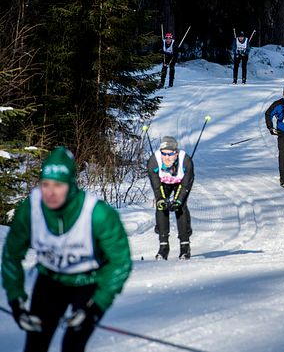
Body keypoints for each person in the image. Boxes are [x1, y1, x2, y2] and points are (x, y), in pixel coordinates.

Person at [2, 147, 132, 352]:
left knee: (72, 345)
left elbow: (120, 262)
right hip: (50, 280)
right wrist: (16, 301)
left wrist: (97, 306)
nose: (51, 193)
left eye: (58, 185)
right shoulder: (31, 209)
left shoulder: (98, 213)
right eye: (45, 185)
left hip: (87, 282)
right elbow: (11, 255)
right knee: (35, 344)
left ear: (72, 184)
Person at [147, 136, 195, 260]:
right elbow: (156, 186)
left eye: (170, 154)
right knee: (161, 206)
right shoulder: (153, 161)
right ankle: (164, 247)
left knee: (181, 206)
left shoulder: (186, 161)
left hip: (180, 182)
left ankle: (185, 246)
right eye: (164, 153)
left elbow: (186, 184)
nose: (167, 157)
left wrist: (178, 200)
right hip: (163, 184)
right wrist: (161, 199)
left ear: (176, 153)